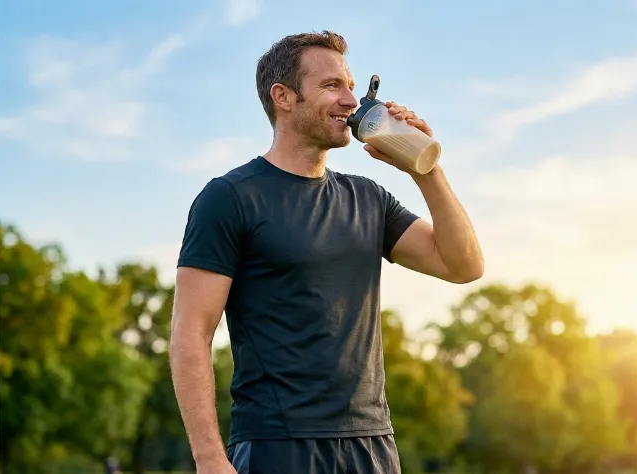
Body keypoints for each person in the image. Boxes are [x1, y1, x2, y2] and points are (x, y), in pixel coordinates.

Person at [169, 30, 484, 474]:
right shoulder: (230, 198)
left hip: (372, 445)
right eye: (332, 86)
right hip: (278, 446)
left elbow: (464, 265)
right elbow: (190, 334)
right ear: (283, 96)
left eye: (352, 86)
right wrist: (209, 459)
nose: (352, 100)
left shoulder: (369, 199)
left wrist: (425, 167)